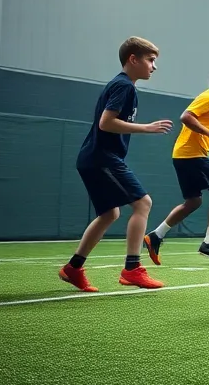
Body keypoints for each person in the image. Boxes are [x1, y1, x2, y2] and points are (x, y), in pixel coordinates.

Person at [59, 37, 173, 292]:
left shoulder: (122, 85)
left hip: (93, 157)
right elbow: (106, 122)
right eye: (150, 60)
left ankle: (73, 268)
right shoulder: (125, 87)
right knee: (143, 203)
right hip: (102, 157)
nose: (154, 67)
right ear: (133, 59)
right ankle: (133, 269)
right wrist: (147, 128)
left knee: (110, 213)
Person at [144, 65, 209, 264]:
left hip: (186, 155)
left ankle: (155, 236)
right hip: (191, 154)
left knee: (194, 201)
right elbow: (185, 117)